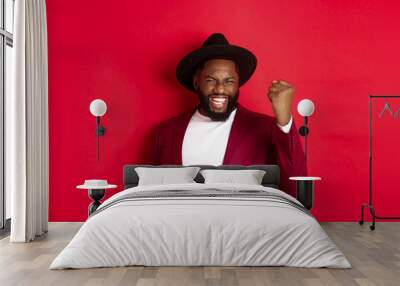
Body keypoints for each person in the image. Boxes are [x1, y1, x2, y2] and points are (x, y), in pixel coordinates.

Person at [153, 32, 306, 197]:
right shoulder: (166, 132)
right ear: (196, 81)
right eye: (210, 80)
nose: (219, 89)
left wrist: (284, 120)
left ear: (238, 83)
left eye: (229, 81)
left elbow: (296, 190)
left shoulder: (264, 128)